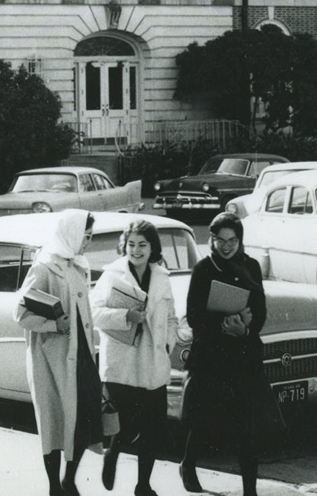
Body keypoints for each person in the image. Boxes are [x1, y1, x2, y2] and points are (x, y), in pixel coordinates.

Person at [14, 209, 103, 496]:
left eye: (90, 236)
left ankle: (69, 479)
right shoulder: (44, 266)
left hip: (81, 355)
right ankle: (55, 485)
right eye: (85, 236)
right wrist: (53, 324)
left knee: (85, 419)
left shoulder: (78, 264)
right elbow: (20, 312)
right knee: (53, 421)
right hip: (52, 359)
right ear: (71, 234)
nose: (87, 242)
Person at [179, 211, 267, 496]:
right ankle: (188, 465)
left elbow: (261, 311)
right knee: (203, 420)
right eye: (221, 240)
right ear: (212, 239)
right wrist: (224, 324)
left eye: (233, 240)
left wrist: (244, 330)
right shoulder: (204, 269)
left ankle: (250, 490)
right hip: (211, 357)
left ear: (240, 240)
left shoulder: (251, 266)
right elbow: (193, 316)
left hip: (243, 356)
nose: (227, 246)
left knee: (247, 427)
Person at [90, 219, 178, 496]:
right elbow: (93, 313)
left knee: (153, 428)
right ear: (124, 246)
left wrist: (168, 343)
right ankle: (112, 453)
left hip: (153, 362)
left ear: (152, 248)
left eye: (142, 245)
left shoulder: (162, 277)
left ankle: (143, 485)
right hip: (123, 362)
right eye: (131, 244)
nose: (136, 250)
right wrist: (125, 315)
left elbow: (172, 317)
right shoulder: (112, 275)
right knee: (125, 426)